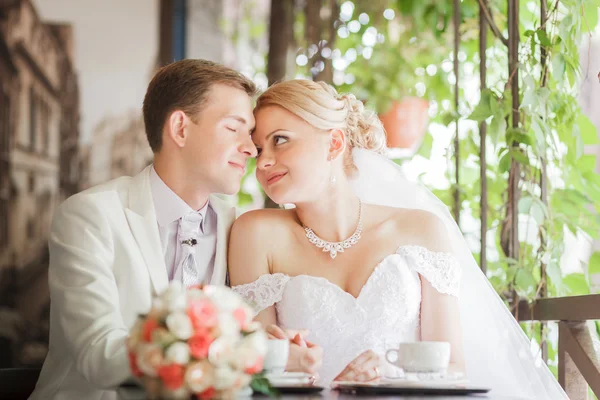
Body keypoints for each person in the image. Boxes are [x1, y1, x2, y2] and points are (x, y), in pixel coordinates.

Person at [228, 79, 568, 399]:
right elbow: (256, 375)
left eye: (280, 139)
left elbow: (454, 370)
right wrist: (297, 366)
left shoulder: (422, 229)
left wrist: (387, 374)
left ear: (334, 143)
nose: (264, 162)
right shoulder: (255, 233)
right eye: (258, 149)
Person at [30, 59, 259, 400]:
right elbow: (99, 355)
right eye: (233, 128)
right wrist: (246, 352)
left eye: (251, 134)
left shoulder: (239, 227)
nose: (251, 148)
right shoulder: (89, 215)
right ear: (180, 128)